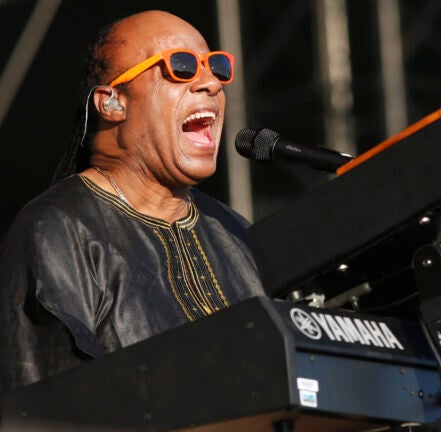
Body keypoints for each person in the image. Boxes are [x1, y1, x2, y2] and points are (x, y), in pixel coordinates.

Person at [0, 10, 264, 391]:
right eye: (182, 67)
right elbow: (46, 401)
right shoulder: (56, 231)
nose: (211, 83)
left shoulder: (236, 232)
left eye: (217, 67)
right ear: (111, 103)